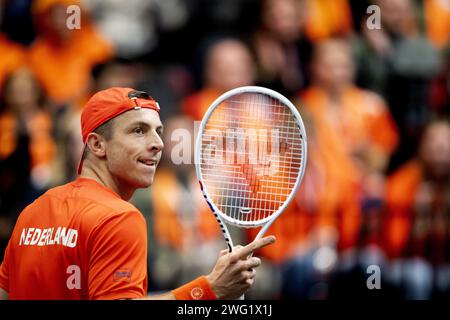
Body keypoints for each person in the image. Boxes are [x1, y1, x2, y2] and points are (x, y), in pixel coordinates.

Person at [0, 87, 275, 300]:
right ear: (97, 145)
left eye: (159, 132)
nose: (157, 144)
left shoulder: (32, 212)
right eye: (138, 131)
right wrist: (209, 289)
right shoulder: (118, 217)